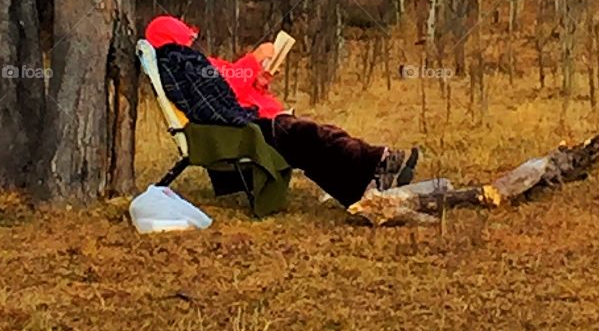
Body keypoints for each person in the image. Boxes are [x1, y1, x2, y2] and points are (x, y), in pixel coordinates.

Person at [144, 15, 419, 207]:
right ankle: (377, 161)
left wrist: (257, 81)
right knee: (311, 136)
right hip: (242, 128)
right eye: (187, 36)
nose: (192, 41)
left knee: (314, 141)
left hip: (250, 119)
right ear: (175, 38)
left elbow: (223, 91)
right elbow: (223, 90)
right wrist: (254, 59)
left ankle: (364, 184)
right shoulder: (185, 63)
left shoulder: (192, 63)